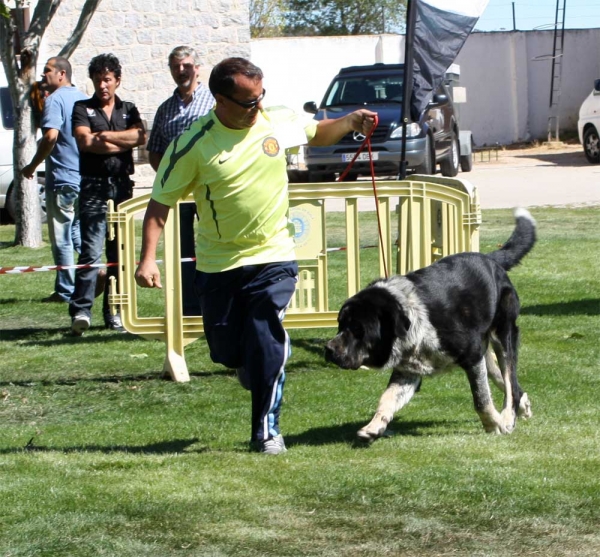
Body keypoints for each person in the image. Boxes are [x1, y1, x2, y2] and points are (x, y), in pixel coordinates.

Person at [134, 57, 376, 454]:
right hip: (218, 264)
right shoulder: (192, 144)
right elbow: (160, 204)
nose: (258, 107)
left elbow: (316, 133)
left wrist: (349, 122)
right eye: (249, 101)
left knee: (267, 335)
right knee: (226, 351)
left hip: (274, 255)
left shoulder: (274, 118)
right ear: (220, 100)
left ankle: (266, 432)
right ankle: (250, 362)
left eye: (261, 96)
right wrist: (148, 258)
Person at [69, 53, 146, 335]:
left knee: (120, 252)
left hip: (122, 186)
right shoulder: (81, 108)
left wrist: (107, 138)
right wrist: (122, 142)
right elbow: (86, 142)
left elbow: (140, 137)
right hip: (93, 186)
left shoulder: (129, 108)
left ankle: (114, 312)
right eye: (98, 80)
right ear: (92, 80)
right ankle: (81, 310)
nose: (103, 85)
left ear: (117, 80)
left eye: (107, 80)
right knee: (91, 250)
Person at [147, 45, 214, 315]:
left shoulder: (215, 101)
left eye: (186, 65)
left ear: (197, 68)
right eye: (176, 66)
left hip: (211, 187)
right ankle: (189, 306)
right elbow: (154, 150)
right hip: (179, 193)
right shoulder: (165, 109)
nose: (181, 70)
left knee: (214, 243)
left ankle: (216, 301)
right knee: (182, 249)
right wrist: (170, 178)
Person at [22, 57, 87, 303]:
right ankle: (93, 272)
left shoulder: (55, 100)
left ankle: (65, 291)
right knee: (78, 234)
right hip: (82, 178)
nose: (43, 75)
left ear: (62, 74)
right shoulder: (82, 97)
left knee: (61, 237)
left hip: (62, 180)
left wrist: (32, 166)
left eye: (47, 71)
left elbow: (50, 136)